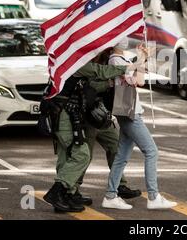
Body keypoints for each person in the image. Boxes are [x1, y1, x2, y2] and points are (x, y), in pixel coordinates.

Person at [101, 38, 177, 210]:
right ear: (113, 43)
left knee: (121, 157)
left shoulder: (122, 59)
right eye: (121, 37)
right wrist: (141, 59)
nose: (125, 39)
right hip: (131, 114)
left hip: (129, 112)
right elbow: (136, 81)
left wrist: (142, 57)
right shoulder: (115, 60)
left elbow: (139, 79)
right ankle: (153, 196)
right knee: (151, 151)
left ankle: (110, 196)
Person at [43, 61, 128, 213]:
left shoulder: (67, 61)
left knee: (66, 155)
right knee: (81, 154)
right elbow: (100, 70)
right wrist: (127, 68)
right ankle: (57, 192)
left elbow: (89, 88)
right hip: (62, 114)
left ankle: (67, 195)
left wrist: (109, 84)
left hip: (64, 113)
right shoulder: (75, 62)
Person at [75, 51, 142, 201]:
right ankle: (73, 189)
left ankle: (120, 185)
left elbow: (127, 67)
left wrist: (141, 57)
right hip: (87, 115)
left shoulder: (109, 58)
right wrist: (109, 83)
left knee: (115, 147)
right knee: (85, 154)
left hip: (101, 113)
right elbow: (89, 86)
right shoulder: (82, 59)